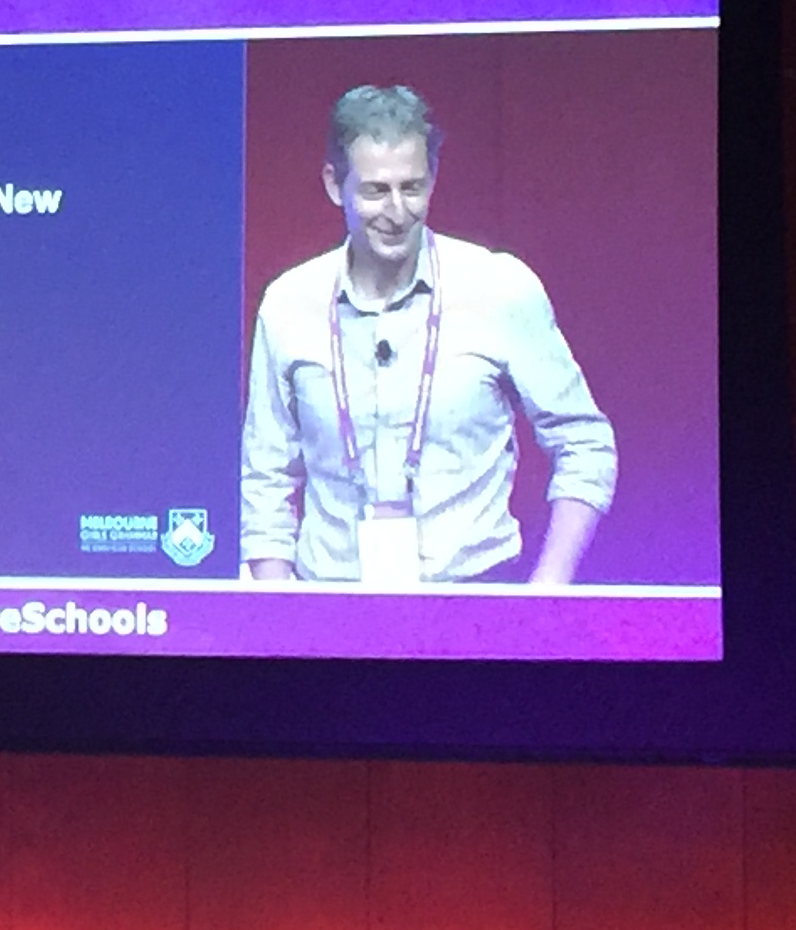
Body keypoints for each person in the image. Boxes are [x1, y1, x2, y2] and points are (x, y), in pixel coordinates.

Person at [240, 83, 616, 586]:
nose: (397, 212)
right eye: (376, 191)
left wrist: (549, 587)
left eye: (412, 188)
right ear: (334, 185)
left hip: (474, 596)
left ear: (433, 179)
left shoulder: (500, 289)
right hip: (330, 602)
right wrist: (280, 610)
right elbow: (266, 477)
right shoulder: (289, 303)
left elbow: (586, 443)